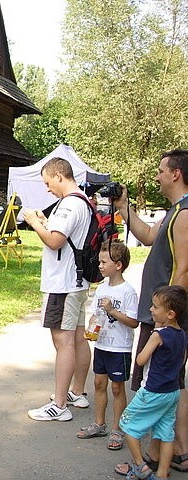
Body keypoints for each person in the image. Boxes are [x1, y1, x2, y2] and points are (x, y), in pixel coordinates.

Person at [111, 149, 188, 473]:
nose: (156, 175)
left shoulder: (184, 215)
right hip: (161, 316)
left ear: (176, 174)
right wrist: (123, 207)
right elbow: (146, 235)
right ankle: (169, 453)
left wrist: (166, 323)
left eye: (160, 170)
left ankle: (165, 455)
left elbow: (184, 270)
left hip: (165, 318)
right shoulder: (174, 212)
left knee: (163, 383)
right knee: (171, 383)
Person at [23, 157, 92, 421]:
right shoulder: (83, 201)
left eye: (48, 182)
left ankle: (59, 405)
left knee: (62, 341)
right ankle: (76, 392)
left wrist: (35, 222)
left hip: (62, 284)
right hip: (76, 281)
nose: (48, 189)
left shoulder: (69, 204)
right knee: (76, 338)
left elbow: (54, 241)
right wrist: (46, 220)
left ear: (59, 176)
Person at [115, 286, 188, 480]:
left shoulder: (158, 335)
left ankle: (141, 466)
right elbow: (182, 361)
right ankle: (162, 473)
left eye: (155, 307)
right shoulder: (182, 335)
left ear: (170, 314)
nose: (151, 310)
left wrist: (153, 337)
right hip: (172, 392)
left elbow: (140, 360)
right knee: (165, 431)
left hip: (152, 391)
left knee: (127, 424)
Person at [76, 240, 138, 451]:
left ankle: (117, 428)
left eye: (104, 262)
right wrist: (91, 326)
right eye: (100, 262)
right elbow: (95, 314)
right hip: (102, 345)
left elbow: (133, 322)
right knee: (99, 384)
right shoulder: (101, 289)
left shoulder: (127, 291)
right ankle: (99, 423)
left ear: (118, 265)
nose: (100, 266)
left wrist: (112, 311)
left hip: (120, 348)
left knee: (117, 387)